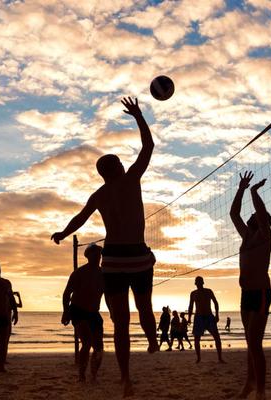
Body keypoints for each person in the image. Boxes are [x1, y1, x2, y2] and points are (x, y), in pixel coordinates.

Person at [51, 97, 159, 397]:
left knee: (120, 324)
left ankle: (126, 379)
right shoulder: (132, 179)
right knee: (145, 307)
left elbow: (79, 219)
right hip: (136, 255)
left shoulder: (99, 194)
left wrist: (62, 232)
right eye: (122, 163)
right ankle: (152, 339)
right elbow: (148, 147)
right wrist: (138, 116)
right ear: (120, 167)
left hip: (112, 259)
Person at [230, 171, 271, 399]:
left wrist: (255, 192)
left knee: (255, 344)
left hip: (261, 293)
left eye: (257, 215)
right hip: (246, 293)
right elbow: (233, 213)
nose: (252, 216)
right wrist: (241, 189)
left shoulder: (265, 235)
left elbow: (262, 215)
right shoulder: (247, 235)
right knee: (250, 343)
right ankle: (249, 383)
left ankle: (261, 391)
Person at [61, 244, 105, 382]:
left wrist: (113, 311)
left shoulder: (103, 273)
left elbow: (108, 295)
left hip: (94, 312)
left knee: (99, 348)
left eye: (99, 254)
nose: (97, 256)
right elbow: (66, 294)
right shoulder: (79, 273)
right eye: (94, 254)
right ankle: (81, 375)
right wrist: (66, 312)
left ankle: (93, 375)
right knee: (86, 343)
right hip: (78, 310)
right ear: (88, 255)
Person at [187, 276, 225, 363]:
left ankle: (220, 358)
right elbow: (190, 306)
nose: (198, 284)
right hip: (198, 317)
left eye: (200, 282)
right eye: (197, 282)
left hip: (209, 316)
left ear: (203, 283)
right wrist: (189, 318)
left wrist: (217, 315)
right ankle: (198, 358)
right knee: (197, 338)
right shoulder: (193, 293)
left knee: (217, 337)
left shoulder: (208, 291)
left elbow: (215, 302)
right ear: (195, 283)